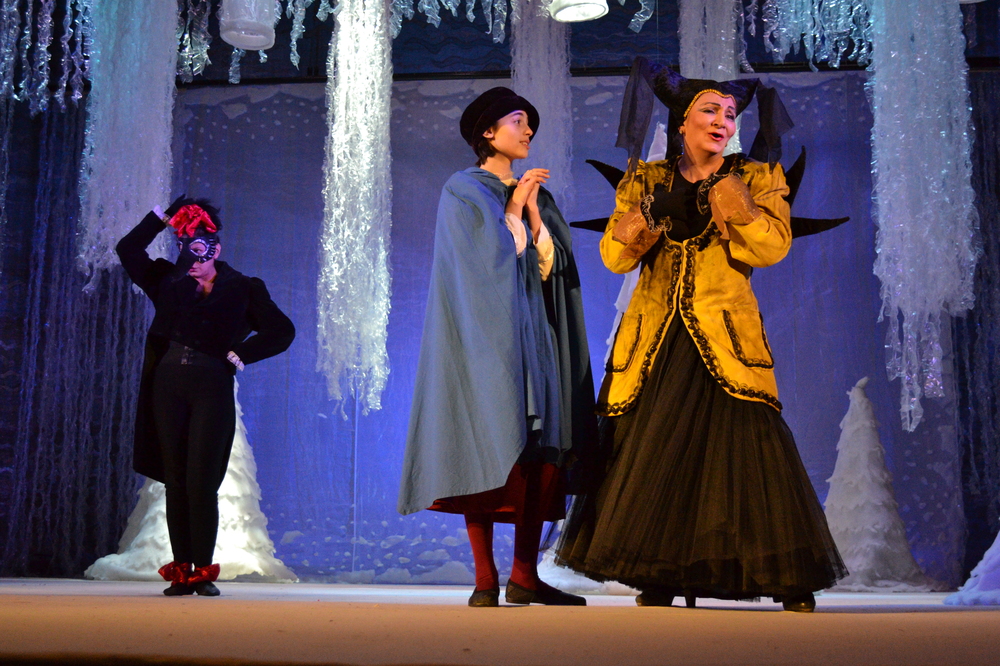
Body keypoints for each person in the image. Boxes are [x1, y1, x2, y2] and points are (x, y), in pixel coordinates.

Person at [555, 59, 846, 612]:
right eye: (710, 111)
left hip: (725, 336)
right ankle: (658, 571)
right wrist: (646, 217)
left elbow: (772, 247)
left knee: (747, 454)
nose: (721, 121)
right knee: (654, 456)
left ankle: (785, 576)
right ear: (682, 122)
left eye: (730, 114)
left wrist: (733, 200)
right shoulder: (646, 180)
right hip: (657, 340)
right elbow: (614, 257)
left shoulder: (756, 176)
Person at [398, 87, 598, 607]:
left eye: (529, 123)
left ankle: (525, 575)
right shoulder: (463, 190)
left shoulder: (537, 196)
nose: (527, 130)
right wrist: (513, 205)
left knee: (542, 451)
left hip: (538, 339)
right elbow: (483, 262)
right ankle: (485, 578)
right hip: (487, 343)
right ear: (488, 132)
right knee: (486, 442)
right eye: (517, 121)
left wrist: (532, 211)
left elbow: (550, 267)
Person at [116, 198, 295, 597]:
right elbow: (128, 250)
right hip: (168, 385)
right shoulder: (168, 280)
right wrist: (161, 217)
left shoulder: (242, 287)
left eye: (197, 248)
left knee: (202, 480)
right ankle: (182, 569)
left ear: (215, 249)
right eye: (184, 247)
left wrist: (242, 352)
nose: (190, 259)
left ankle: (202, 569)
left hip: (211, 387)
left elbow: (282, 330)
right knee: (175, 480)